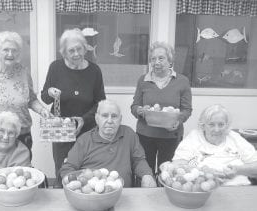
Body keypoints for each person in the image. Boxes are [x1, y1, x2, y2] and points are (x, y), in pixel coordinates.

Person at [41, 28, 106, 187]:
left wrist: (83, 120)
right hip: (61, 129)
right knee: (62, 169)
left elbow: (100, 102)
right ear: (64, 52)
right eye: (71, 50)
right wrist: (50, 92)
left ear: (85, 48)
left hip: (87, 129)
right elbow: (44, 97)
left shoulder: (94, 71)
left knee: (86, 171)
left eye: (79, 49)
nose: (76, 53)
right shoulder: (55, 68)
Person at [0, 31, 51, 158]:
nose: (10, 54)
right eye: (5, 50)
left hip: (21, 134)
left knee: (20, 173)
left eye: (14, 50)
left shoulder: (23, 71)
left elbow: (31, 99)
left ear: (18, 53)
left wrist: (43, 111)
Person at [60, 100, 156, 188]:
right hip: (92, 196)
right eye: (105, 116)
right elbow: (68, 168)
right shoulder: (84, 140)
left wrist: (146, 175)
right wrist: (77, 184)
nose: (109, 121)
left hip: (123, 194)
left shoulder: (129, 134)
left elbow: (138, 160)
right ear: (97, 119)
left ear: (120, 119)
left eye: (114, 116)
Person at [131, 41, 192, 175]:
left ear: (170, 61)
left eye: (161, 58)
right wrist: (140, 111)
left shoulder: (182, 81)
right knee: (145, 173)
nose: (156, 62)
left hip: (171, 136)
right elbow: (134, 106)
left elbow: (187, 109)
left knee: (168, 174)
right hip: (145, 135)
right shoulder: (143, 80)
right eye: (153, 59)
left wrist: (178, 121)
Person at [172, 104, 257, 186]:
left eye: (221, 124)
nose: (217, 129)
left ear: (226, 125)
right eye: (211, 124)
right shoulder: (193, 138)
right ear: (203, 125)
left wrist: (238, 170)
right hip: (203, 189)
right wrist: (203, 172)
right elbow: (177, 166)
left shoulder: (234, 138)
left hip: (239, 188)